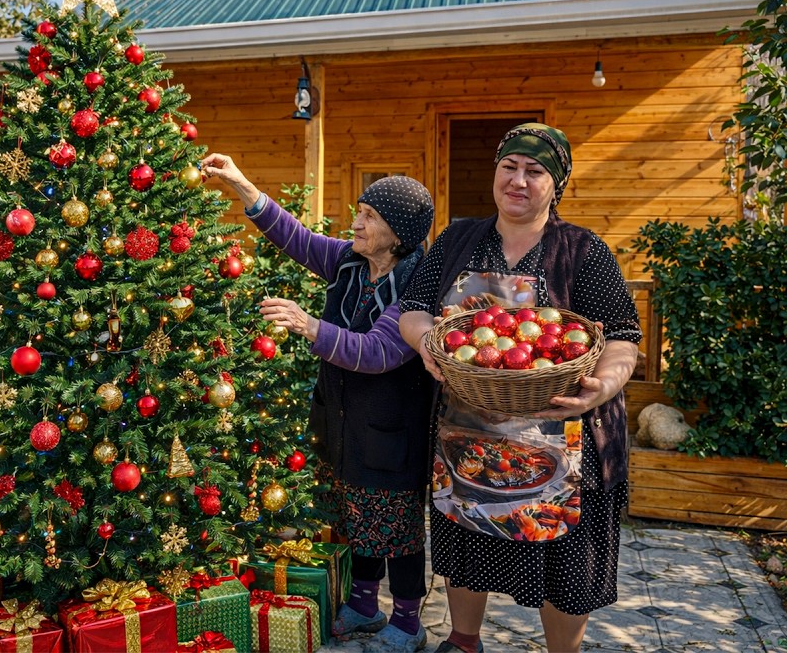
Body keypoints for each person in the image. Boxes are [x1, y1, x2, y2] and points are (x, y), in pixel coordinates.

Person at [397, 123, 641, 653]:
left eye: (535, 172)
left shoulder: (582, 250)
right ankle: (463, 641)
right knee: (464, 536)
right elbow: (413, 309)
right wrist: (426, 345)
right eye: (509, 167)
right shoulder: (457, 240)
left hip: (561, 439)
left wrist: (602, 387)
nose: (519, 181)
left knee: (566, 561)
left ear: (556, 185)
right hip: (468, 434)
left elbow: (623, 336)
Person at [201, 153, 436, 652]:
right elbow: (296, 236)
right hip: (341, 418)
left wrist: (309, 325)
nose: (357, 220)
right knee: (355, 513)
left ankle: (410, 620)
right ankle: (366, 604)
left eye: (371, 216)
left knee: (393, 521)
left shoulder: (418, 282)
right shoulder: (349, 260)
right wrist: (242, 184)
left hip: (392, 424)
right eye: (360, 210)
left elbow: (379, 351)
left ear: (399, 233)